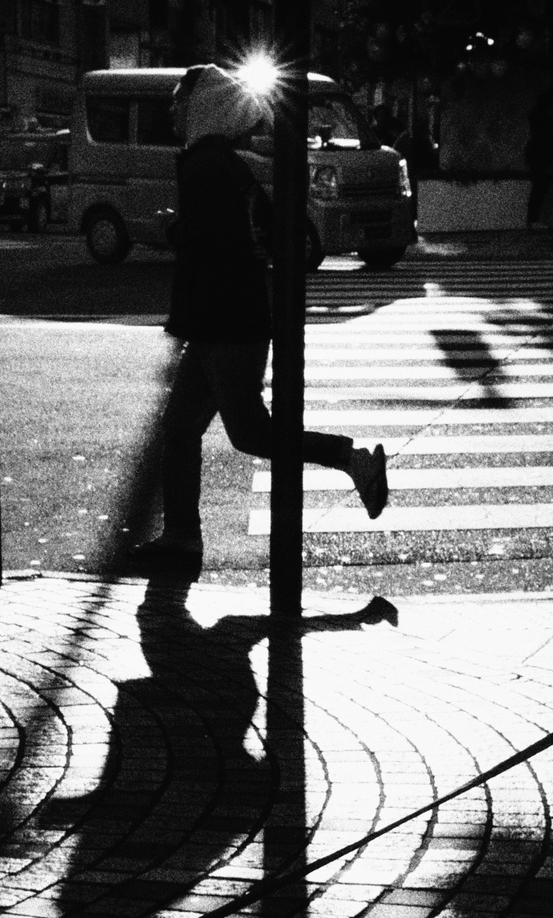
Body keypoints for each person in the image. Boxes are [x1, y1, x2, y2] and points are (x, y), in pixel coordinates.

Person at [133, 65, 390, 562]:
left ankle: (351, 458)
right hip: (230, 317)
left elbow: (213, 239)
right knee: (182, 429)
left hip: (223, 321)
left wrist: (173, 231)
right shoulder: (232, 164)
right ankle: (181, 536)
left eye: (180, 99)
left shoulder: (204, 163)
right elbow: (267, 230)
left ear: (203, 106)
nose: (173, 109)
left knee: (249, 432)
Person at [524, 87, 553, 227]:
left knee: (538, 188)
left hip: (537, 155)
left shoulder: (536, 117)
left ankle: (533, 219)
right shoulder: (544, 120)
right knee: (540, 188)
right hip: (540, 156)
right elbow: (546, 139)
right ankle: (533, 219)